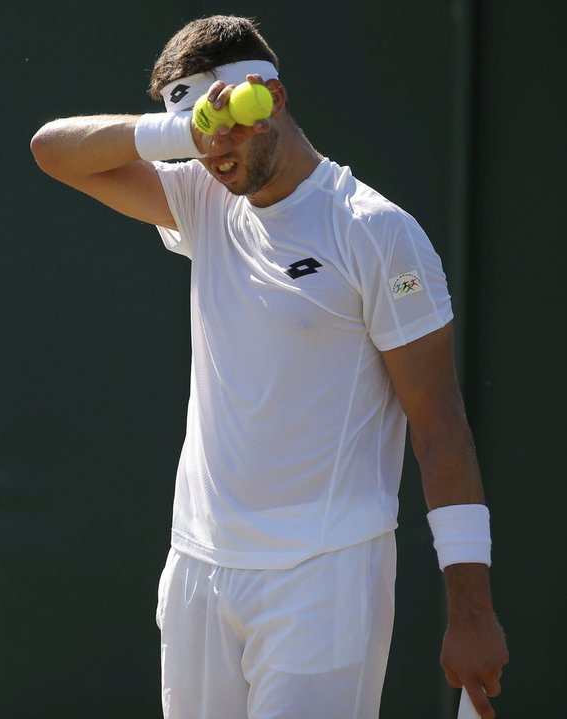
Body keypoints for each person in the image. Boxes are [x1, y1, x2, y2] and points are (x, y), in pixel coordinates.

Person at [30, 14, 508, 719]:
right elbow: (51, 150)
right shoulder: (201, 199)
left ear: (271, 99)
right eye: (197, 135)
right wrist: (180, 133)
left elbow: (439, 424)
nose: (213, 154)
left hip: (325, 578)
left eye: (225, 124)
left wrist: (471, 609)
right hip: (198, 570)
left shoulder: (376, 231)